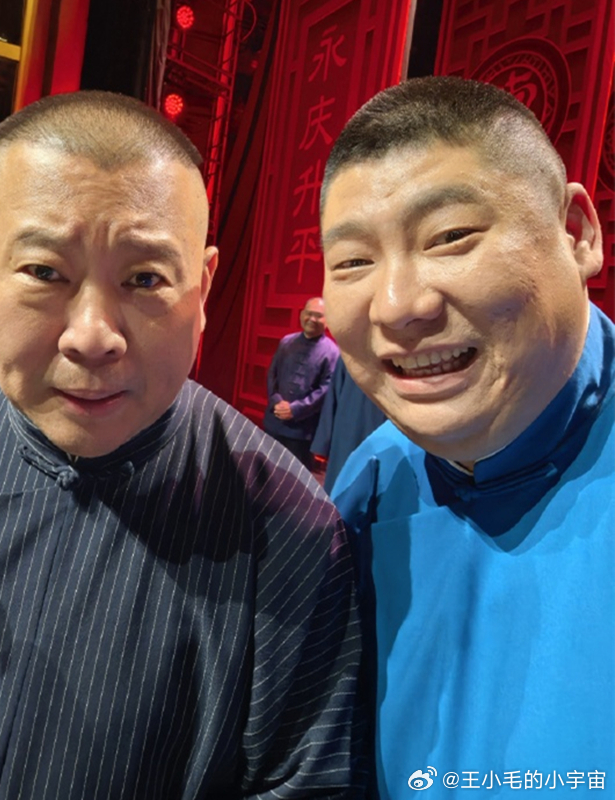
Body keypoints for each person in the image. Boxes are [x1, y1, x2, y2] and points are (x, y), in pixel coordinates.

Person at [0, 92, 368, 799]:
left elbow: (303, 785)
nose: (93, 336)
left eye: (145, 279)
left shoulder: (287, 528)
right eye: (45, 272)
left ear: (202, 289)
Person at [319, 76, 613, 798]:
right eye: (353, 262)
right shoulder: (372, 482)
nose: (398, 306)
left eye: (451, 237)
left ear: (576, 233)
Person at [263, 298, 340, 469]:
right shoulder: (286, 342)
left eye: (318, 316)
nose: (312, 319)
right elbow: (272, 374)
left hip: (301, 431)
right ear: (301, 315)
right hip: (273, 421)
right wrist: (276, 401)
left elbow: (325, 390)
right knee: (265, 472)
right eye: (309, 313)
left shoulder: (332, 352)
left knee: (293, 477)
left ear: (328, 321)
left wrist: (295, 409)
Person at [310, 359, 386, 494]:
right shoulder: (350, 354)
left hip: (353, 433)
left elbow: (333, 396)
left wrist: (323, 443)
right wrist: (323, 443)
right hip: (350, 433)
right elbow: (333, 395)